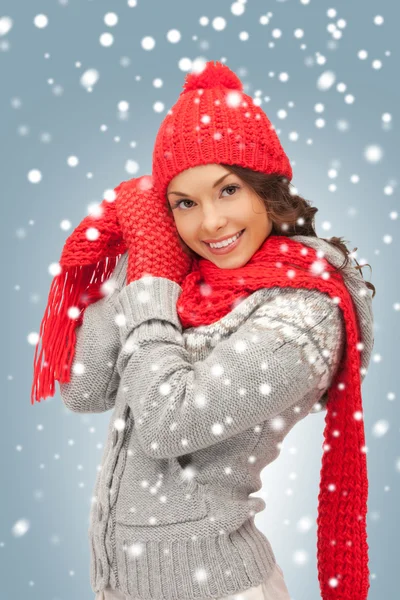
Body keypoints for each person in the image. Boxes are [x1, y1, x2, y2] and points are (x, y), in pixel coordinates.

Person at [31, 61, 375, 600]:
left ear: (267, 189)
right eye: (184, 203)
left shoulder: (306, 311)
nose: (209, 222)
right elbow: (82, 388)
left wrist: (149, 283)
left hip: (219, 588)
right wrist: (144, 268)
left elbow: (171, 424)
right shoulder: (179, 280)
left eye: (228, 190)